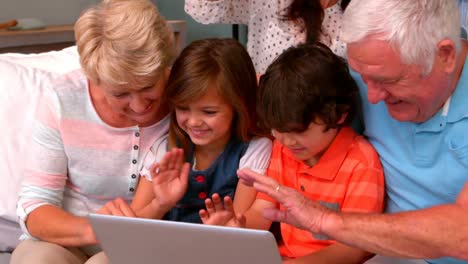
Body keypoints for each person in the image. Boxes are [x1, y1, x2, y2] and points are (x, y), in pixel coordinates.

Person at [238, 0, 468, 263]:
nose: (370, 97)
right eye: (362, 76)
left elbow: (462, 233)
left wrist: (327, 221)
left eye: (388, 81)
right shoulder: (370, 73)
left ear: (446, 56)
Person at [11, 0, 176, 263]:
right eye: (121, 93)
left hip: (146, 243)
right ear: (94, 78)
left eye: (148, 86)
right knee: (37, 260)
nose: (139, 105)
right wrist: (98, 230)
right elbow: (35, 207)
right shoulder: (63, 99)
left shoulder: (187, 98)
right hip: (71, 236)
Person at [200, 42, 385, 263]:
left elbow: (353, 249)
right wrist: (236, 227)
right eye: (277, 129)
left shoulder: (361, 164)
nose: (286, 140)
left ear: (339, 115)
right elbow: (263, 211)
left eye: (298, 131)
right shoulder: (283, 149)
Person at [130, 38, 273, 224]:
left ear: (239, 106)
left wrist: (224, 227)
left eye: (209, 112)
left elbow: (241, 227)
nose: (194, 122)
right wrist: (160, 204)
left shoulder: (255, 149)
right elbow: (132, 226)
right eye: (183, 108)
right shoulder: (163, 149)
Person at [185, 0, 350, 73]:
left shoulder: (366, 8)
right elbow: (202, 10)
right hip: (268, 124)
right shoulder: (271, 3)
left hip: (340, 125)